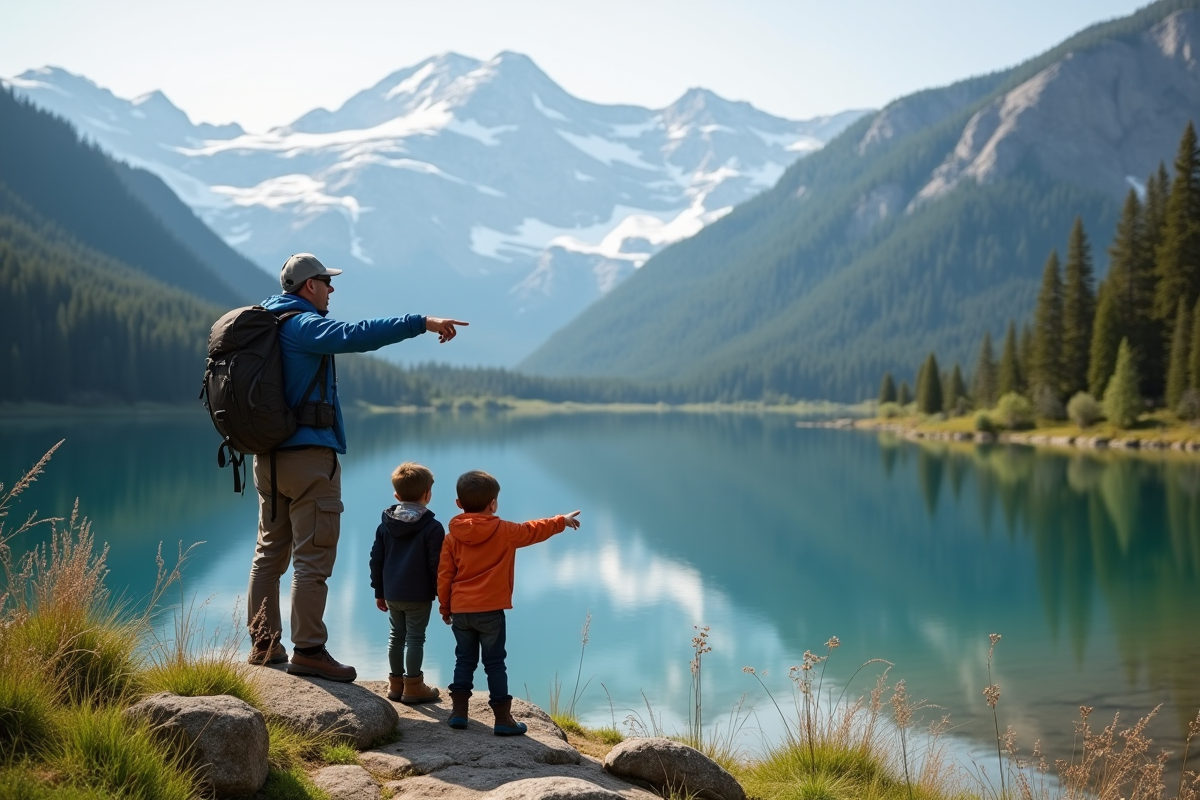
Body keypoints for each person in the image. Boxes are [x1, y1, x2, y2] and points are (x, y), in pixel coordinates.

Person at [247, 252, 467, 681]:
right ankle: (308, 649)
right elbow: (356, 334)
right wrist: (420, 322)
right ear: (309, 285)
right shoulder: (304, 324)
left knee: (268, 555)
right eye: (327, 282)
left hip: (267, 458)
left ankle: (264, 644)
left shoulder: (266, 325)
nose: (332, 289)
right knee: (313, 558)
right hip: (309, 458)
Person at [437, 470, 581, 735]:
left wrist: (445, 607)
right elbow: (534, 530)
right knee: (495, 663)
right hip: (491, 610)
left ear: (459, 504)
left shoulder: (451, 537)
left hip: (461, 611)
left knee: (463, 660)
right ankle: (503, 719)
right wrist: (562, 521)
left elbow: (445, 575)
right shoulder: (505, 531)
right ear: (493, 504)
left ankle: (458, 714)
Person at [369, 462, 445, 703]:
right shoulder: (433, 528)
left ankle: (395, 685)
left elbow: (376, 561)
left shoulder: (385, 525)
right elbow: (437, 566)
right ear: (427, 495)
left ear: (396, 495)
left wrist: (379, 592)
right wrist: (442, 594)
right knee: (415, 638)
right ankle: (413, 686)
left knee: (395, 637)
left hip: (392, 593)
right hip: (419, 595)